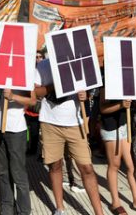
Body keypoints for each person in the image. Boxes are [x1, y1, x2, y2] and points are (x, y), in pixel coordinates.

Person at [34, 58, 105, 215]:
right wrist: (56, 85)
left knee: (86, 167)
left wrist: (84, 95)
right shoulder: (44, 64)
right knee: (55, 165)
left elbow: (89, 92)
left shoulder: (79, 63)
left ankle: (99, 212)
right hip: (49, 122)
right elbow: (35, 92)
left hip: (75, 123)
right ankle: (60, 208)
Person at [99, 90, 136, 215]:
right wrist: (121, 105)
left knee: (130, 165)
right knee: (114, 164)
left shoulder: (126, 79)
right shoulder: (106, 82)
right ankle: (115, 203)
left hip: (124, 125)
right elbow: (102, 108)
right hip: (110, 127)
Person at [0, 87, 37, 215]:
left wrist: (13, 96)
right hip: (0, 128)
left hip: (16, 130)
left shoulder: (25, 73)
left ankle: (24, 210)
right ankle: (7, 207)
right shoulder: (0, 72)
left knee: (18, 173)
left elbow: (33, 101)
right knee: (3, 172)